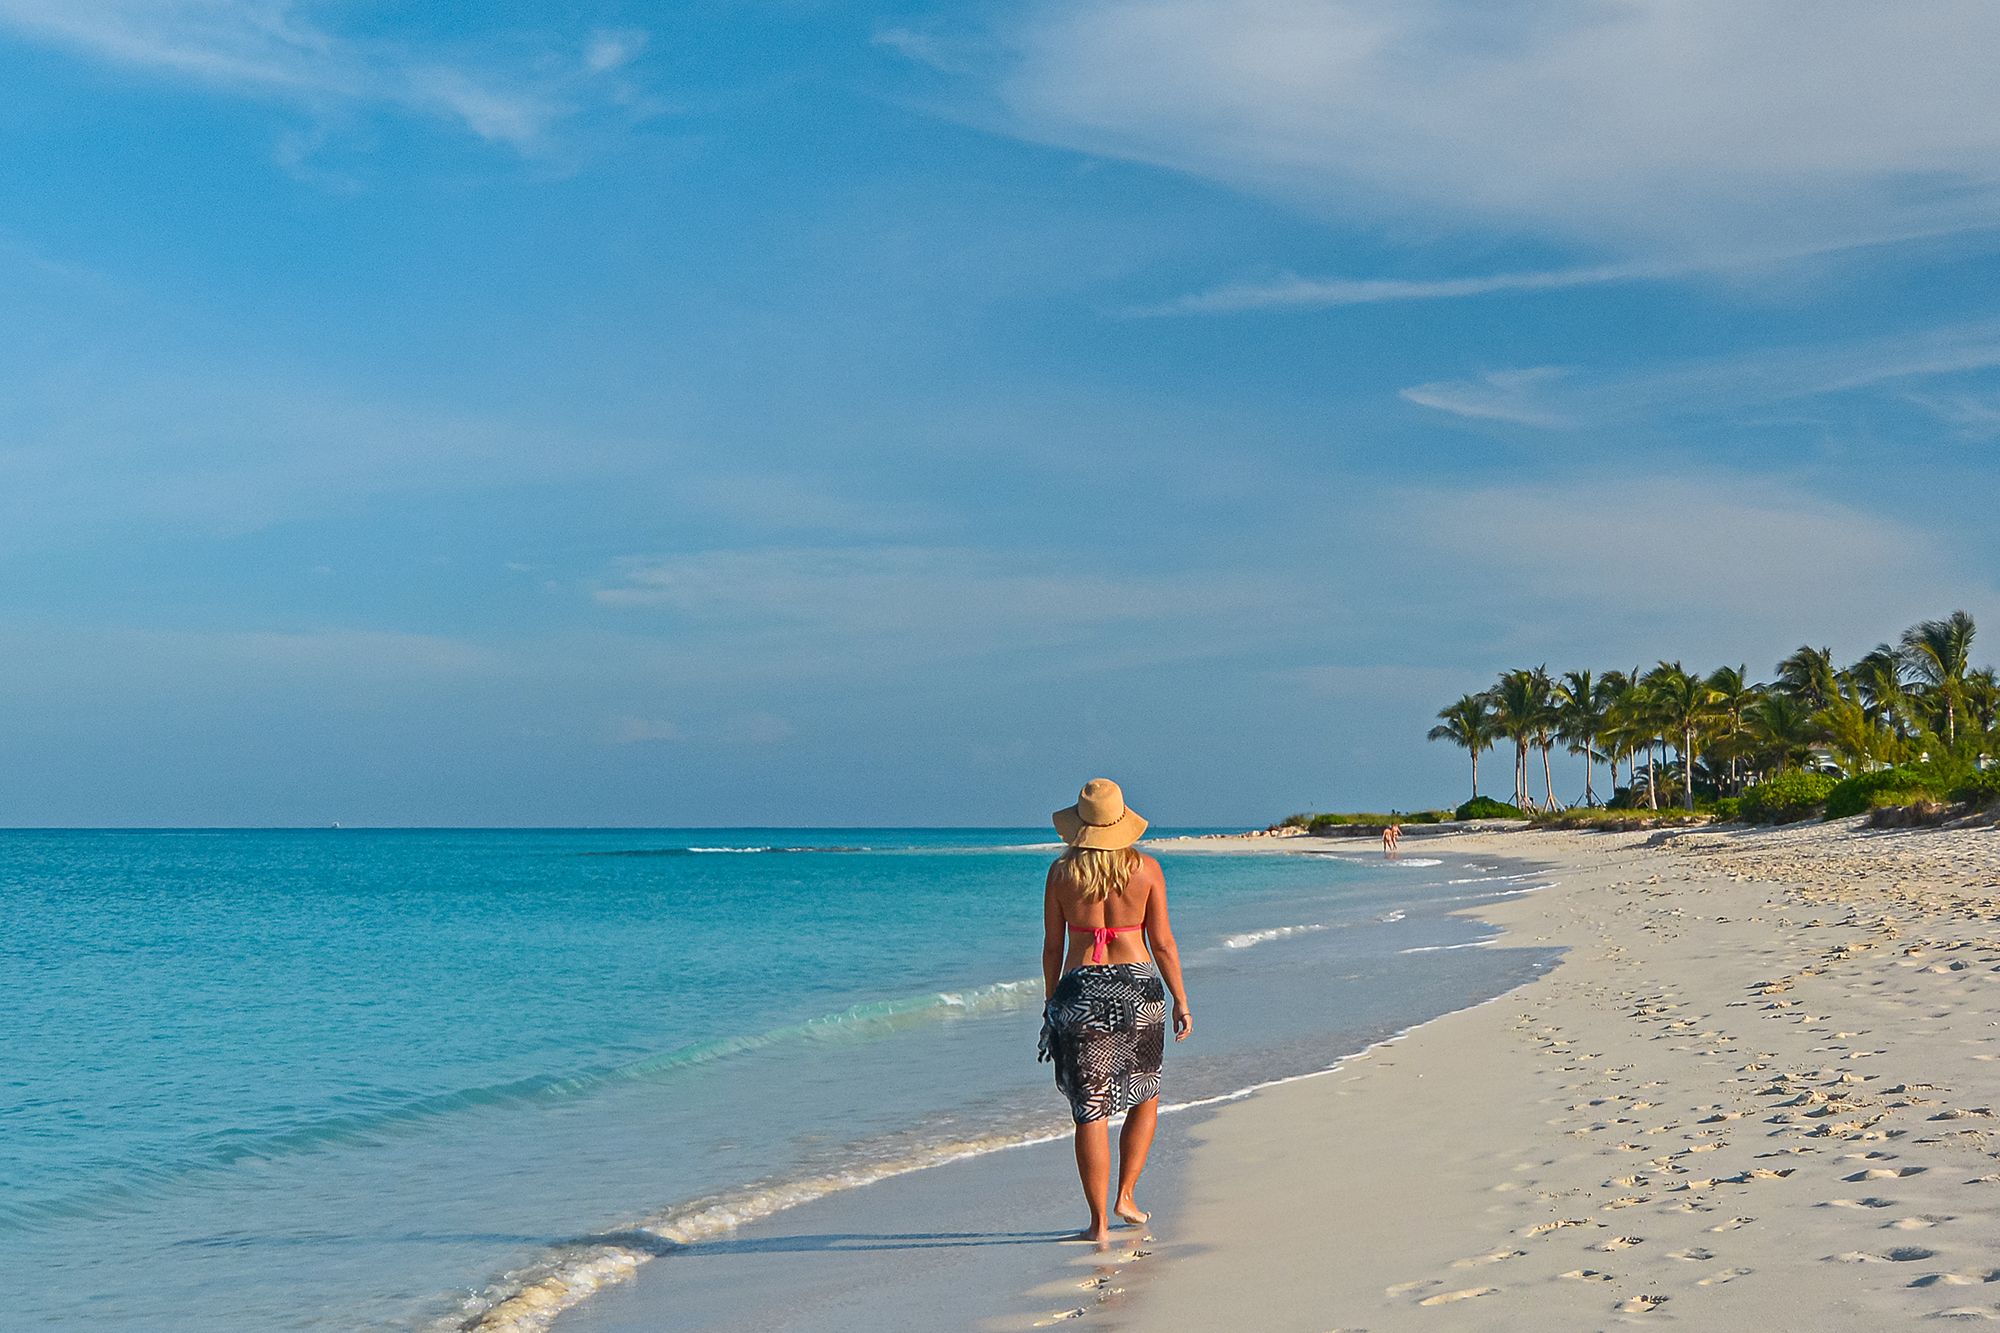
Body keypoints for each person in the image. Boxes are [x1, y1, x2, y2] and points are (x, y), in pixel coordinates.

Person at [1038, 778, 1192, 1242]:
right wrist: (1181, 998)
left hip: (1081, 992)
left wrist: (1051, 1002)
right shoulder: (1146, 870)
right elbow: (1162, 943)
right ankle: (1126, 1194)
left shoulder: (1061, 874)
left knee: (1090, 1111)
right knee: (1145, 1092)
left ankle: (1098, 1223)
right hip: (1137, 989)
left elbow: (1052, 947)